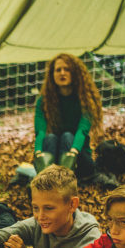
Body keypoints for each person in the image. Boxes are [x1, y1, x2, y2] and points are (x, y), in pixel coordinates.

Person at [27, 54, 104, 182]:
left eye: (67, 69)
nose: (62, 73)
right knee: (50, 138)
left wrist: (73, 152)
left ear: (75, 73)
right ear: (52, 74)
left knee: (67, 136)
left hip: (79, 158)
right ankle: (45, 180)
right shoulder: (44, 101)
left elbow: (82, 130)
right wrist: (38, 151)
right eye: (58, 70)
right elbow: (40, 131)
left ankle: (63, 182)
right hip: (54, 158)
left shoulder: (86, 99)